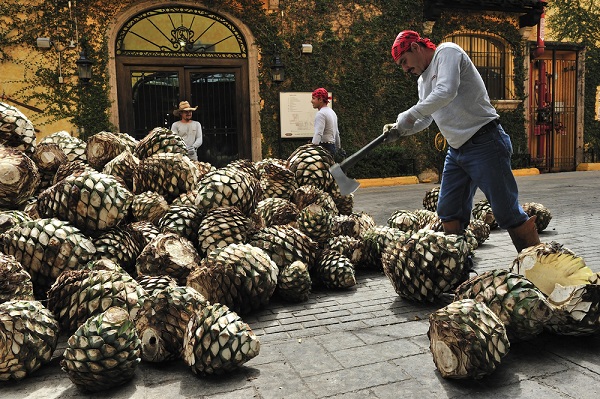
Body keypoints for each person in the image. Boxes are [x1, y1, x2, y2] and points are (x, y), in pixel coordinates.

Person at [383, 30, 539, 252]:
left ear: (416, 48)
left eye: (404, 61)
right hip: (456, 151)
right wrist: (401, 130)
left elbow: (446, 91)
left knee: (506, 212)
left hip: (485, 142)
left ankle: (539, 262)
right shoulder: (422, 82)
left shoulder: (447, 52)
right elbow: (427, 118)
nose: (405, 68)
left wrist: (410, 114)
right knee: (449, 211)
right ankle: (458, 267)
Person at [311, 88, 341, 156]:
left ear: (320, 99)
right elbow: (336, 133)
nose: (311, 101)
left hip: (324, 148)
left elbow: (318, 133)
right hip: (332, 148)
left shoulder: (321, 114)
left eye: (313, 98)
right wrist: (338, 149)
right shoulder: (332, 112)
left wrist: (312, 150)